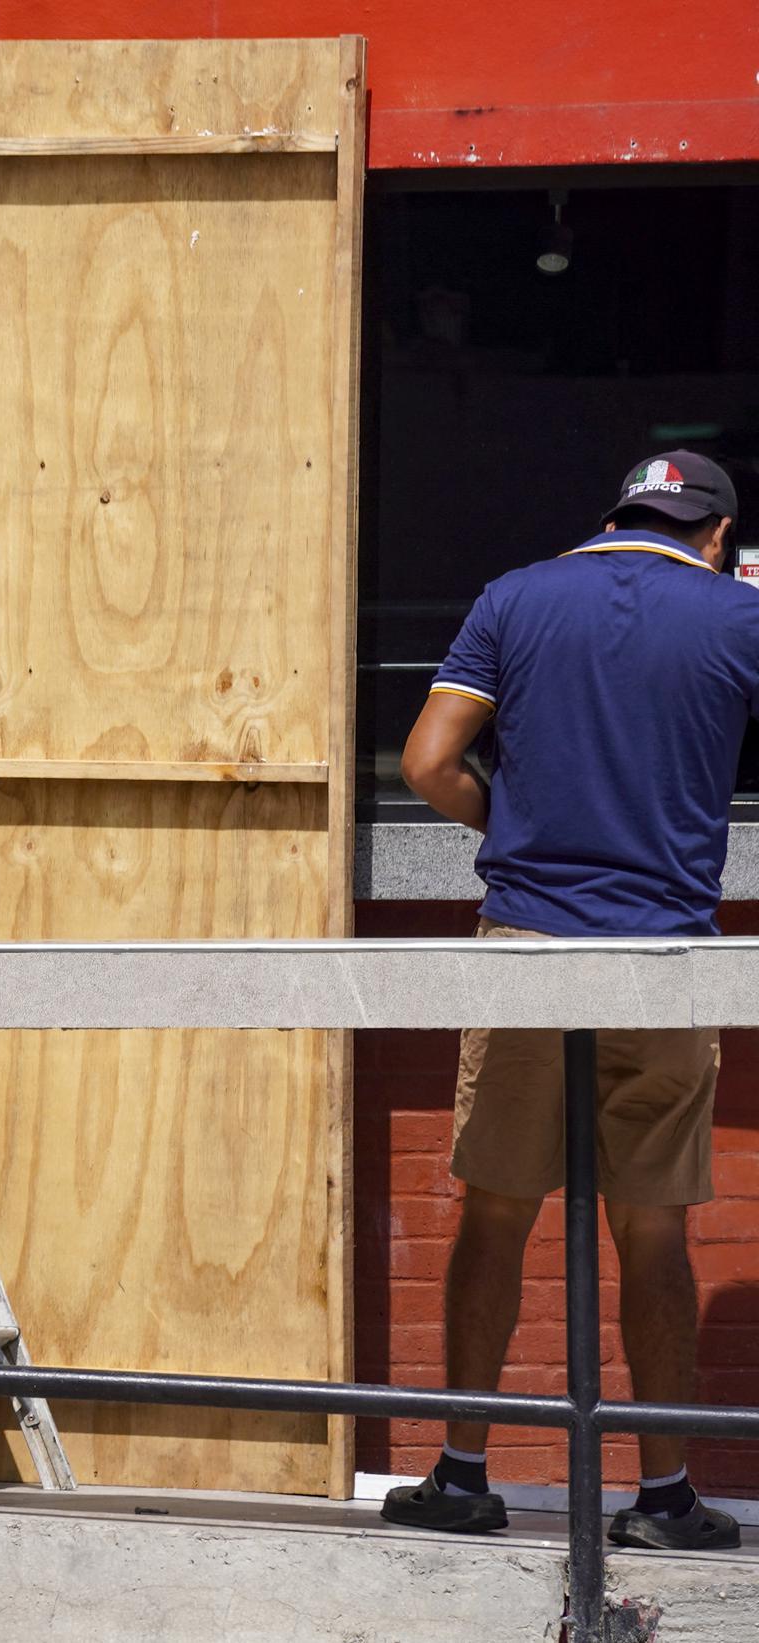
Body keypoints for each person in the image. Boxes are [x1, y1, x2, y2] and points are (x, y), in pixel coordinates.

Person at [383, 451, 748, 1553]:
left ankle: (462, 1472)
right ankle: (666, 1491)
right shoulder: (735, 614)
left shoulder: (518, 594)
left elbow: (428, 760)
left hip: (529, 943)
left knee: (496, 1209)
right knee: (655, 1227)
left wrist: (520, 830)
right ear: (717, 536)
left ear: (615, 516)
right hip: (668, 955)